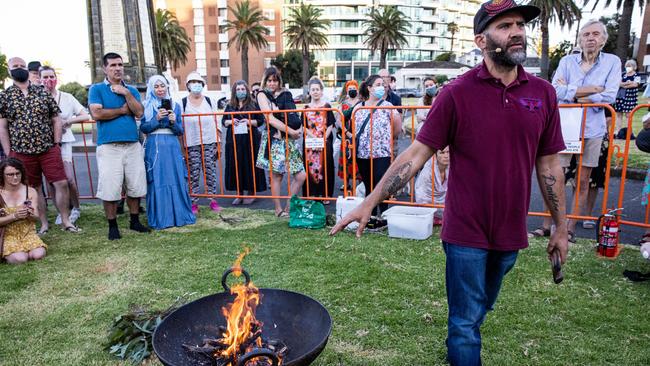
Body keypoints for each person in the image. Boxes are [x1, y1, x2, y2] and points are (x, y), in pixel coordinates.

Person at [332, 2, 569, 365]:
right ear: (481, 40)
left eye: (520, 24)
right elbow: (415, 154)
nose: (518, 31)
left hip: (510, 230)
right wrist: (370, 202)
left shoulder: (542, 93)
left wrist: (560, 228)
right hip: (464, 230)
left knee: (479, 305)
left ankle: (465, 327)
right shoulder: (456, 93)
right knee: (464, 324)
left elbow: (549, 163)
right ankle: (461, 338)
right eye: (505, 25)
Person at [552, 19, 621, 243]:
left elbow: (610, 95)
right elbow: (555, 90)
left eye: (595, 34)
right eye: (586, 34)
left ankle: (570, 228)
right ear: (580, 39)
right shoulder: (566, 60)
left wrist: (571, 91)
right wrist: (592, 89)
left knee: (583, 181)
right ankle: (558, 222)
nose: (590, 38)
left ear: (603, 39)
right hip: (567, 126)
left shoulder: (612, 61)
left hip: (593, 128)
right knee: (558, 177)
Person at [0, 57, 78, 235]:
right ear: (10, 70)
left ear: (27, 69)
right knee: (34, 188)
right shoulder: (4, 96)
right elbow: (2, 127)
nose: (19, 68)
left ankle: (65, 220)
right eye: (15, 66)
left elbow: (56, 119)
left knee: (61, 183)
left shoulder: (41, 92)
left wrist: (57, 143)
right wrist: (9, 153)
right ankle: (43, 223)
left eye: (22, 66)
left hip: (48, 148)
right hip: (21, 152)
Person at [88, 52, 150, 240]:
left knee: (136, 185)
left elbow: (139, 112)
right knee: (110, 187)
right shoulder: (96, 89)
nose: (117, 69)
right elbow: (97, 114)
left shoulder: (129, 89)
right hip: (109, 147)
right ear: (105, 68)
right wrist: (122, 110)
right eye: (113, 65)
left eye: (120, 65)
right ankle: (112, 225)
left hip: (132, 145)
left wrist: (125, 93)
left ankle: (134, 221)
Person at [140, 75, 195, 230]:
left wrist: (172, 122)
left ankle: (179, 215)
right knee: (157, 178)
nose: (160, 89)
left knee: (175, 177)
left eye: (162, 86)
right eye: (156, 86)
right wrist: (156, 119)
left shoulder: (176, 105)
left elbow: (179, 130)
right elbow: (144, 128)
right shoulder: (146, 105)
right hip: (154, 146)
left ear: (167, 87)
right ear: (151, 88)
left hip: (171, 145)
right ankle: (161, 217)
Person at [40, 66, 89, 226]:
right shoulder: (37, 97)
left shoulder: (67, 97)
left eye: (51, 77)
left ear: (56, 78)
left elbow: (85, 115)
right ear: (40, 79)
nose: (49, 80)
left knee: (68, 178)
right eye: (45, 77)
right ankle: (62, 211)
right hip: (45, 142)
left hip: (65, 140)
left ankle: (76, 208)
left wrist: (67, 121)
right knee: (51, 180)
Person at [255, 67, 305, 217]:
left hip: (289, 141)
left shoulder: (285, 94)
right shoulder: (261, 95)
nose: (272, 83)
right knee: (277, 176)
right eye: (269, 80)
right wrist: (292, 132)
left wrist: (298, 130)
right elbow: (270, 119)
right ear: (265, 81)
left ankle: (289, 207)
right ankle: (278, 210)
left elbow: (293, 114)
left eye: (275, 80)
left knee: (301, 175)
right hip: (275, 140)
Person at [351, 74, 401, 220]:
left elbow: (397, 129)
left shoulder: (388, 106)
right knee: (368, 185)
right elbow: (354, 128)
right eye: (378, 84)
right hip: (363, 153)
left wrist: (384, 140)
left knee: (382, 184)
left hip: (382, 152)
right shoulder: (358, 108)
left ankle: (383, 215)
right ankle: (370, 215)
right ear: (369, 88)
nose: (382, 87)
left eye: (383, 85)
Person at [180, 72, 222, 214]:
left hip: (209, 142)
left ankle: (213, 200)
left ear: (203, 85)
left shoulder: (210, 101)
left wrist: (219, 143)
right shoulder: (182, 103)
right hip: (191, 143)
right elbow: (180, 126)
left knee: (210, 172)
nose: (196, 85)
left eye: (198, 82)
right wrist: (182, 147)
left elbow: (217, 122)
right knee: (193, 173)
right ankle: (193, 202)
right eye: (192, 82)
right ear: (188, 85)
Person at [222, 80, 267, 205]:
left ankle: (251, 193)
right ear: (234, 92)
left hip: (250, 140)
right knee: (236, 165)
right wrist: (232, 121)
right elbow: (224, 122)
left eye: (242, 89)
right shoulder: (230, 105)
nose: (240, 91)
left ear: (247, 91)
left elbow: (260, 121)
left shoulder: (253, 104)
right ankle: (239, 194)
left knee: (250, 165)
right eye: (238, 89)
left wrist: (248, 122)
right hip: (234, 141)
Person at [0, 158, 45, 264]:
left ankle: (27, 249)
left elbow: (36, 218)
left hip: (27, 232)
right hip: (7, 234)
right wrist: (14, 216)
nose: (15, 177)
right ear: (2, 175)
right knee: (20, 259)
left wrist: (29, 214)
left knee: (38, 255)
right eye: (10, 174)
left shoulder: (30, 191)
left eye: (17, 173)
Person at [302, 77, 336, 203]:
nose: (315, 92)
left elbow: (330, 125)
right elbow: (304, 126)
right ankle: (312, 195)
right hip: (310, 144)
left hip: (324, 142)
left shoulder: (327, 107)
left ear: (321, 91)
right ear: (309, 92)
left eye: (317, 89)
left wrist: (322, 139)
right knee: (310, 168)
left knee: (325, 167)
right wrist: (314, 138)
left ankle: (325, 195)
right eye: (313, 89)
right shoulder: (305, 108)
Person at [337, 80, 362, 191]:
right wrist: (347, 132)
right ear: (347, 90)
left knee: (359, 159)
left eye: (354, 88)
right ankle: (347, 184)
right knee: (346, 159)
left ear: (357, 89)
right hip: (346, 136)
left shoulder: (362, 103)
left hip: (359, 136)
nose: (352, 90)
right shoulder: (343, 104)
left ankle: (361, 185)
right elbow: (338, 120)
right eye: (350, 89)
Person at [415, 146, 449, 225]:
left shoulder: (452, 168)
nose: (446, 156)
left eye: (448, 152)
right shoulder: (427, 172)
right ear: (435, 155)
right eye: (442, 153)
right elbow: (422, 196)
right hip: (429, 202)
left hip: (444, 203)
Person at [613, 59, 640, 137]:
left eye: (630, 66)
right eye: (627, 66)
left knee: (628, 115)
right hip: (620, 97)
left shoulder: (637, 75)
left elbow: (635, 85)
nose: (628, 67)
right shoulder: (623, 74)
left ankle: (629, 132)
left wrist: (624, 85)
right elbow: (618, 84)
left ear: (634, 67)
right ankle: (618, 131)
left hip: (630, 97)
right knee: (619, 114)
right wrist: (627, 83)